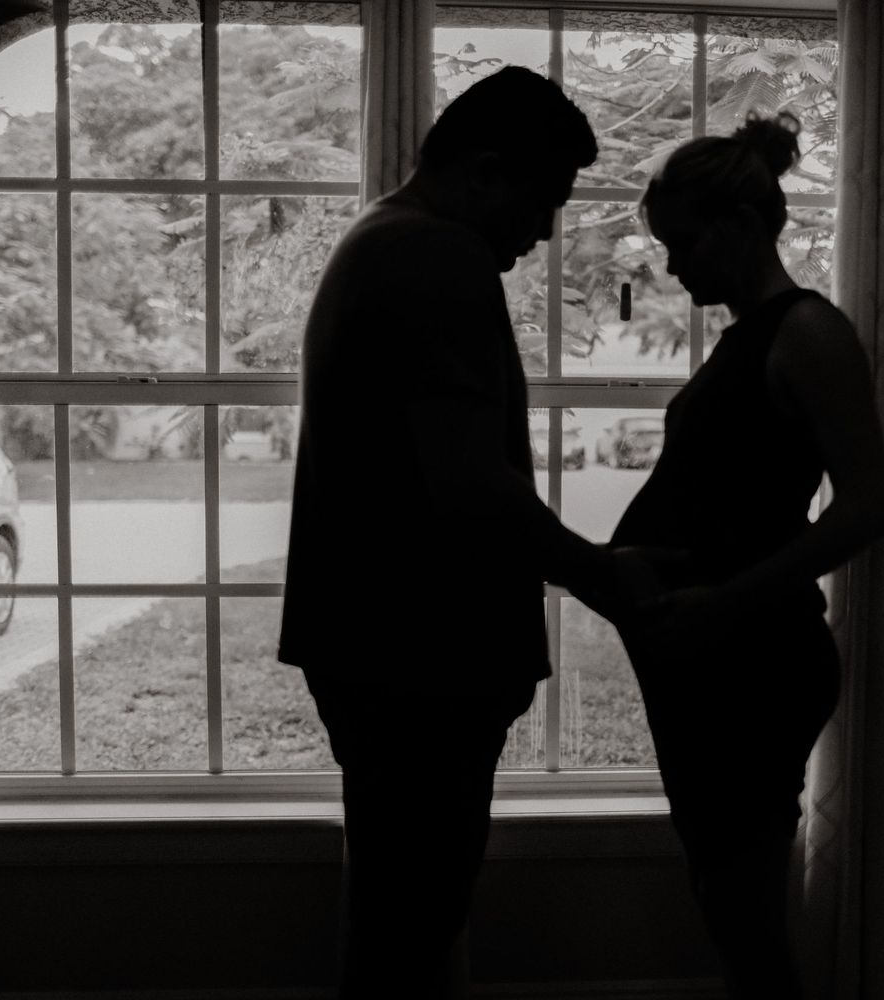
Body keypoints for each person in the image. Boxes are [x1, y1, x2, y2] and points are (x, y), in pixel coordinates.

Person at [278, 67, 658, 999]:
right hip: (421, 661)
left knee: (393, 919)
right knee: (415, 926)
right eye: (545, 200)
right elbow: (469, 483)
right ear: (487, 171)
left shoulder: (379, 237)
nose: (545, 232)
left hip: (376, 651)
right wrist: (603, 577)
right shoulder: (434, 257)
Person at [612, 112, 884, 999]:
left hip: (753, 659)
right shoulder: (749, 336)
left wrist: (723, 601)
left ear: (739, 225)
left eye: (683, 244)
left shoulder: (808, 332)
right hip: (708, 655)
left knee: (744, 914)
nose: (673, 267)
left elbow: (868, 508)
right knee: (726, 899)